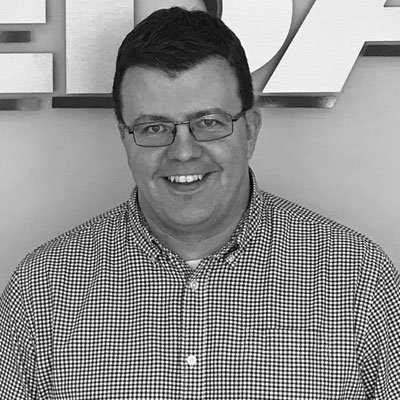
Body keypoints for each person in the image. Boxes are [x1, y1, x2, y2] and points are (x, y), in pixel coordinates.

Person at [1, 7, 399, 399]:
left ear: (250, 131)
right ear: (125, 138)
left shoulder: (359, 280)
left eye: (208, 122)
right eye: (154, 127)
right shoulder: (42, 290)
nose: (183, 152)